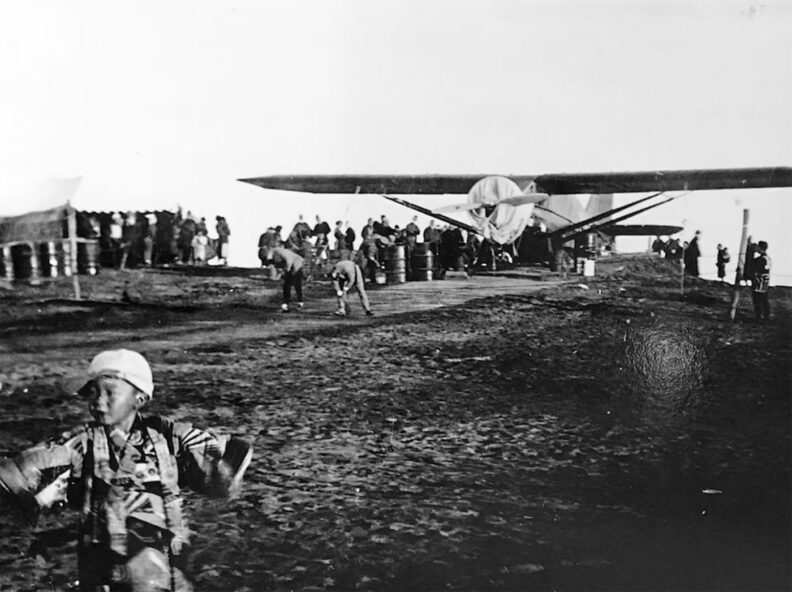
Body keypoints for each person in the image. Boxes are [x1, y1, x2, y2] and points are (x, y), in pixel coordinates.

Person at [0, 349, 253, 592]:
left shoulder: (170, 436)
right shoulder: (82, 441)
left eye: (110, 393)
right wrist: (25, 494)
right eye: (92, 393)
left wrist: (224, 473)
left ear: (139, 399)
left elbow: (236, 449)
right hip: (105, 574)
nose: (98, 402)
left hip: (170, 571)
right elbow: (16, 472)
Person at [265, 246, 305, 312]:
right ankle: (285, 304)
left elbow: (288, 260)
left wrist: (283, 273)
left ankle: (299, 302)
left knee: (296, 283)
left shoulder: (279, 251)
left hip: (297, 263)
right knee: (286, 285)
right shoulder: (273, 255)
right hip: (290, 265)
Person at [751, 240, 771, 320]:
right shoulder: (767, 258)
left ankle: (758, 317)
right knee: (764, 299)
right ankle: (766, 316)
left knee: (757, 299)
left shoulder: (761, 259)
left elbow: (753, 266)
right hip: (765, 280)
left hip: (760, 280)